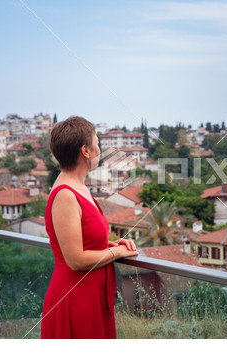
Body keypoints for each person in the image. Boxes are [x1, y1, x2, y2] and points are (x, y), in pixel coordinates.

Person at [41, 116, 138, 339]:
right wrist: (116, 252)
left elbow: (84, 239)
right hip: (75, 298)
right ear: (85, 150)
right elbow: (74, 259)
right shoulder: (66, 194)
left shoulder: (78, 186)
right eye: (97, 142)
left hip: (90, 295)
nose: (99, 149)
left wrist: (108, 245)